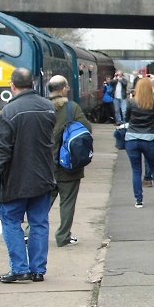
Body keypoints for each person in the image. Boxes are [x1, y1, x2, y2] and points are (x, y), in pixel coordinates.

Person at [0, 67, 56, 283]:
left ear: (12, 86)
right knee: (39, 223)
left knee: (11, 222)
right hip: (42, 179)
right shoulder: (48, 108)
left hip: (14, 181)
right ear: (34, 84)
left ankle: (19, 268)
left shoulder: (8, 113)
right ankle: (38, 270)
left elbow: (0, 151)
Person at [48, 75, 91, 248]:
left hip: (46, 166)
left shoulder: (41, 107)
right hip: (68, 165)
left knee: (43, 203)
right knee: (67, 203)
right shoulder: (72, 108)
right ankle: (63, 236)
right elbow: (86, 129)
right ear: (65, 88)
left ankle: (30, 233)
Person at [124, 77, 154, 208]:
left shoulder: (131, 102)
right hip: (149, 138)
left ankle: (138, 201)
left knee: (136, 170)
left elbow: (126, 118)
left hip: (132, 138)